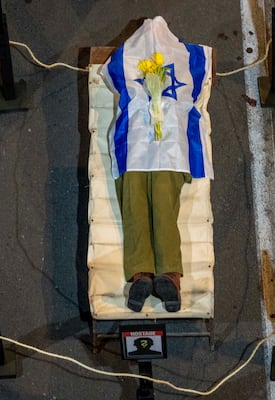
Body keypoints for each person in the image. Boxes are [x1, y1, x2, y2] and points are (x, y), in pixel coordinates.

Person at [100, 16, 213, 312]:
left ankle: (167, 275)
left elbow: (193, 92)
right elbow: (116, 79)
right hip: (135, 145)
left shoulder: (184, 62)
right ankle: (144, 275)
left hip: (168, 148)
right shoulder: (130, 65)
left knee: (161, 201)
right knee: (136, 201)